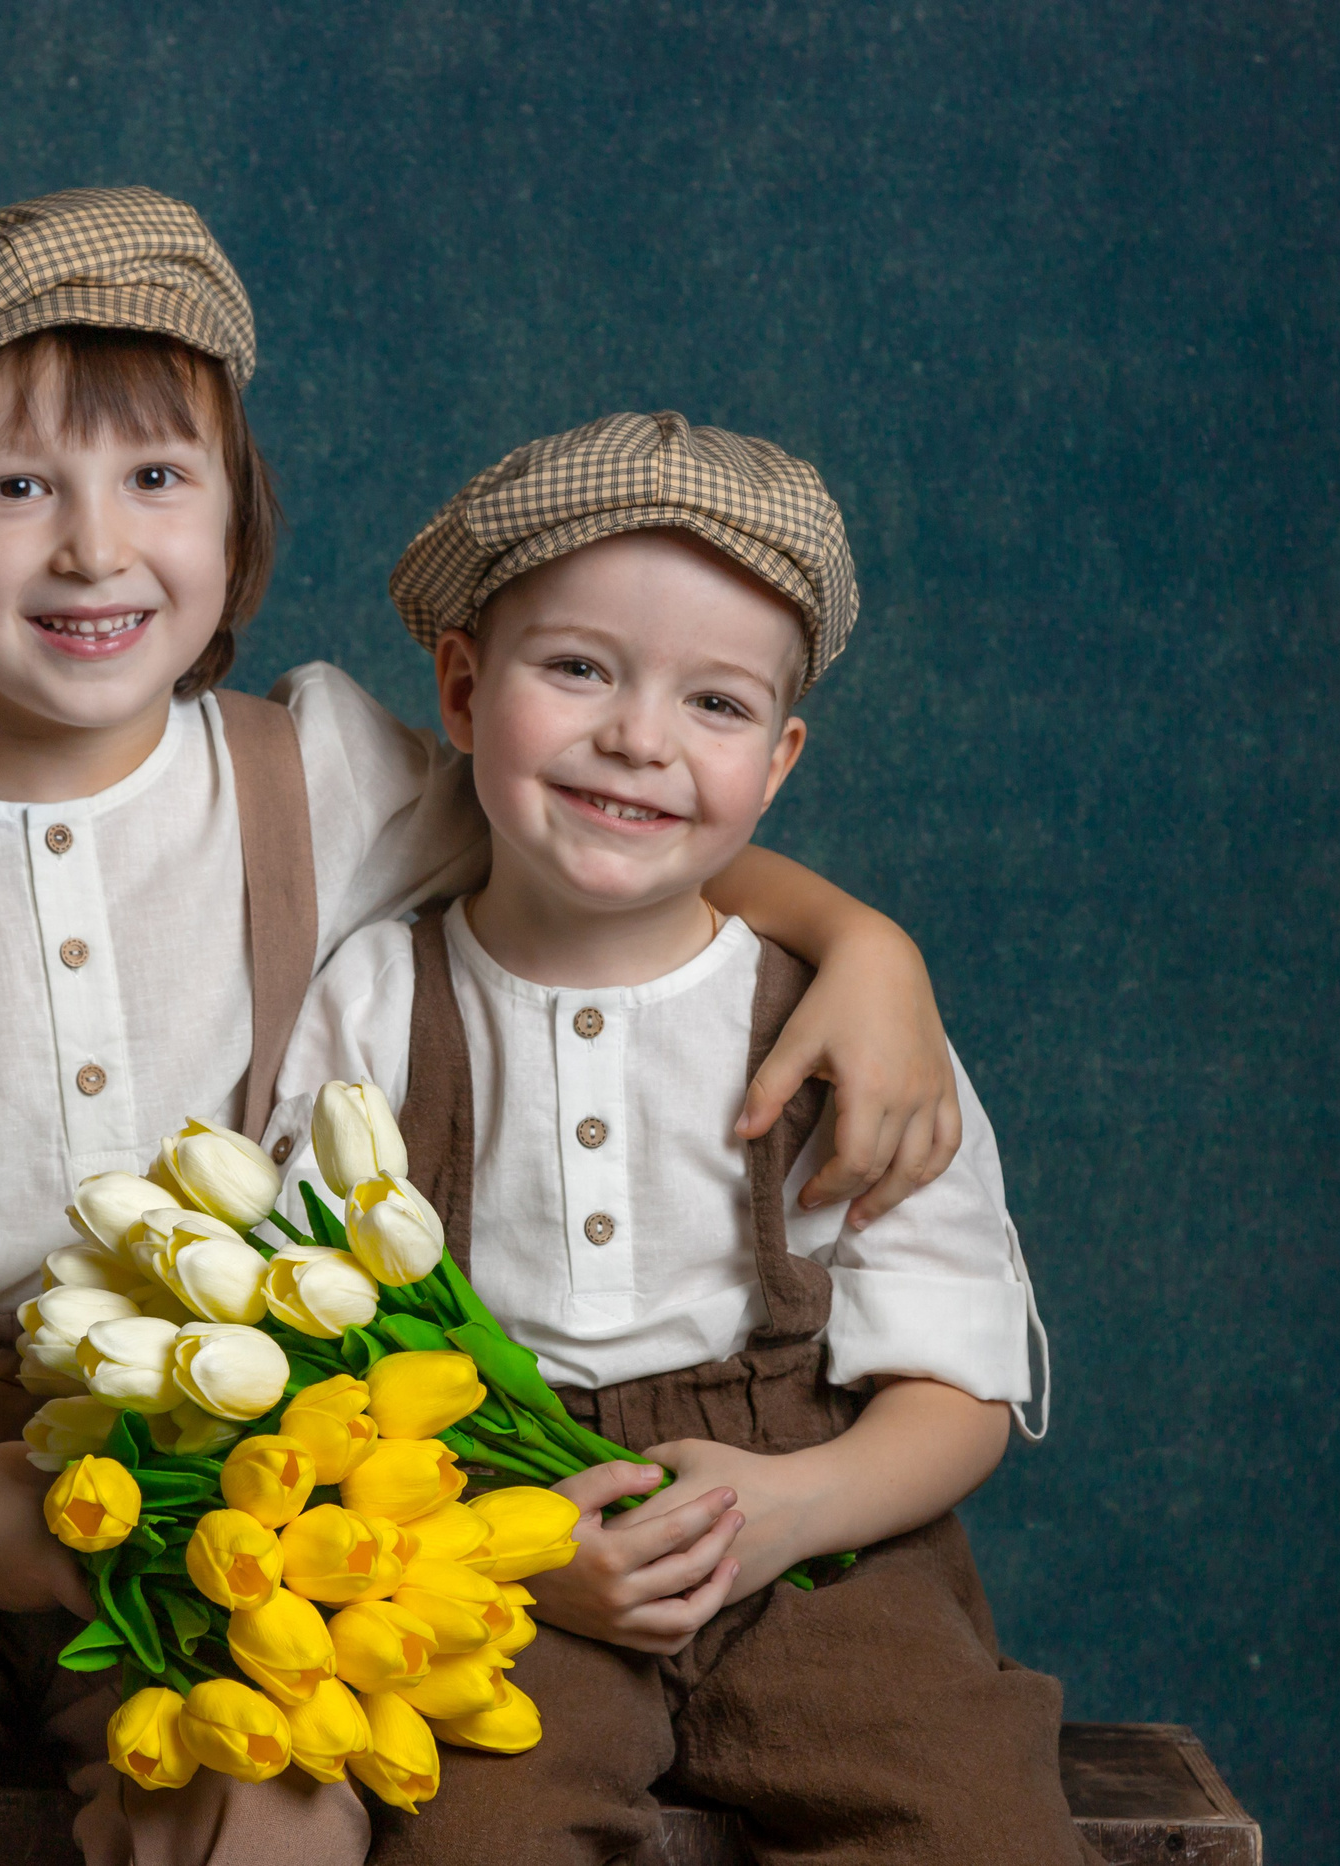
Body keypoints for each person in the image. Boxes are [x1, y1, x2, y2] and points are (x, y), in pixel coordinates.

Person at [0, 191, 973, 1866]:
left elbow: (601, 829)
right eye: (18, 486)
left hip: (253, 1499)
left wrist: (857, 938)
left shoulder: (317, 777)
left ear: (236, 511)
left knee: (281, 1799)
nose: (96, 548)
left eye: (157, 479)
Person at [265, 412, 1091, 1865]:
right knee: (467, 1834)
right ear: (461, 689)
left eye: (714, 705)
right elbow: (313, 1350)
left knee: (971, 1815)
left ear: (776, 765)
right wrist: (499, 1533)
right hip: (496, 1533)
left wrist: (791, 1506)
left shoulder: (848, 1029)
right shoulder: (376, 1002)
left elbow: (957, 1377)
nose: (638, 736)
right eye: (578, 667)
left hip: (821, 1538)